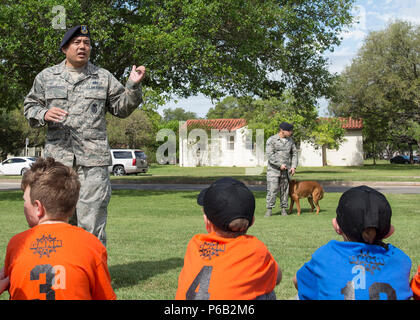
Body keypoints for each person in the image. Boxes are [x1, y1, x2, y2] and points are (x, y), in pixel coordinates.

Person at [23, 25, 146, 246]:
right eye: (77, 42)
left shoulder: (103, 76)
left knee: (92, 222)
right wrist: (44, 113)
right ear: (64, 48)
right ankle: (61, 272)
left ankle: (92, 276)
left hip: (93, 164)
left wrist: (133, 86)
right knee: (56, 221)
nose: (82, 47)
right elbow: (29, 107)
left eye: (86, 43)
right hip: (57, 165)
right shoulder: (47, 77)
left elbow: (122, 108)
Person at [2, 157, 116, 300]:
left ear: (38, 208)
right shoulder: (92, 244)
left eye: (25, 200)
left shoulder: (17, 244)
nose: (24, 205)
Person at [292, 185, 413, 300]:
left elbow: (298, 281)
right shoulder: (401, 260)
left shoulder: (325, 255)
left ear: (337, 226)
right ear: (389, 232)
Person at [175, 177, 281, 300]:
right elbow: (277, 277)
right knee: (267, 290)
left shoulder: (194, 244)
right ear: (252, 221)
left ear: (206, 221)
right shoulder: (255, 249)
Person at [265, 121, 298, 217]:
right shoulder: (272, 140)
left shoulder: (290, 141)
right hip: (273, 170)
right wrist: (279, 165)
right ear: (282, 130)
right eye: (289, 131)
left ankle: (284, 209)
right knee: (272, 189)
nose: (290, 132)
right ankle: (269, 209)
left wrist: (293, 166)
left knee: (285, 190)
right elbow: (270, 155)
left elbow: (294, 154)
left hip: (286, 171)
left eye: (291, 131)